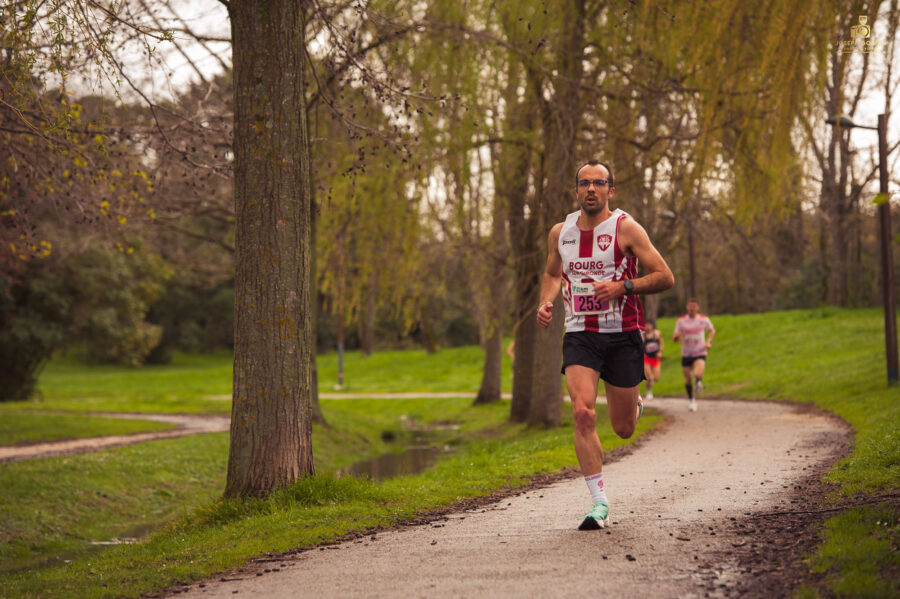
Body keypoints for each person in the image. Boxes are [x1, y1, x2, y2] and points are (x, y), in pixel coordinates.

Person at [537, 160, 674, 530]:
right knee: (582, 413)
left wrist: (623, 287)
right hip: (580, 334)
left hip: (623, 333)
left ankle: (635, 404)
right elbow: (552, 273)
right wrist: (546, 302)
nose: (591, 189)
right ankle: (598, 503)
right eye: (584, 183)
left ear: (610, 190)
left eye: (599, 183)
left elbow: (665, 276)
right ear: (576, 190)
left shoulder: (625, 228)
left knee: (624, 428)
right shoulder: (559, 233)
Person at [672, 299, 715, 412]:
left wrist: (708, 341)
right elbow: (676, 335)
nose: (692, 308)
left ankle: (698, 381)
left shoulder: (703, 320)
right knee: (687, 379)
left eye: (694, 306)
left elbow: (712, 331)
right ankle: (692, 401)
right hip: (686, 353)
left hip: (699, 351)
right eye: (690, 306)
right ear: (687, 307)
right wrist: (676, 337)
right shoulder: (681, 321)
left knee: (697, 373)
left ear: (697, 308)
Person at [642, 320, 663, 400]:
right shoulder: (643, 336)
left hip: (655, 358)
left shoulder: (657, 334)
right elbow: (640, 346)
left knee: (656, 378)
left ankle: (649, 384)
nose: (648, 327)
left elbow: (661, 342)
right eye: (646, 325)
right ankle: (648, 391)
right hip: (647, 358)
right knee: (650, 377)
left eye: (649, 325)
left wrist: (660, 351)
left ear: (652, 326)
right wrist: (643, 353)